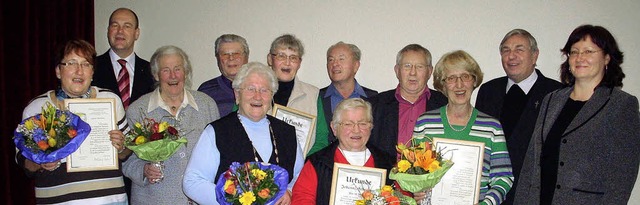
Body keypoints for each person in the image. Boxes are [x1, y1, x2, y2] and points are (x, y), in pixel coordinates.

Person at [514, 25, 640, 204]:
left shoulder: (621, 105)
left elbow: (622, 178)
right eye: (574, 52)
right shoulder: (551, 100)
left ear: (607, 58)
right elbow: (531, 163)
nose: (580, 57)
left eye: (589, 51)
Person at [16, 39, 130, 204]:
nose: (79, 71)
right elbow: (24, 161)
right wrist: (41, 162)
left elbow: (126, 153)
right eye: (71, 63)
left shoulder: (110, 100)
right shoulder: (37, 107)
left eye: (86, 64)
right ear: (58, 71)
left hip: (110, 200)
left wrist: (122, 147)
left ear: (92, 72)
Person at [183, 62, 304, 205]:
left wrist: (289, 191)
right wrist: (230, 202)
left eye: (264, 90)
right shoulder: (217, 132)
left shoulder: (287, 132)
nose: (257, 97)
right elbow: (192, 181)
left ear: (272, 96)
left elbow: (300, 175)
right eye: (250, 89)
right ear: (237, 94)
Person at [121, 46, 220, 204]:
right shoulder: (138, 110)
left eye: (178, 69)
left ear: (185, 72)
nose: (173, 76)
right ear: (156, 74)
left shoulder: (206, 104)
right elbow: (126, 160)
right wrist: (144, 170)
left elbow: (218, 154)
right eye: (166, 70)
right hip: (153, 200)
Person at [413, 50, 513, 205]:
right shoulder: (425, 123)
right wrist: (418, 191)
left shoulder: (492, 127)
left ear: (474, 81)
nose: (459, 85)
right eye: (451, 78)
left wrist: (487, 203)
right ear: (443, 84)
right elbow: (415, 173)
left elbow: (503, 178)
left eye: (465, 76)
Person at [475, 29, 563, 204]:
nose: (511, 56)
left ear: (535, 55)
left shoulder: (556, 93)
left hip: (534, 193)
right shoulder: (488, 90)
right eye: (506, 50)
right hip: (490, 194)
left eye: (519, 49)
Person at [291, 98, 394, 204]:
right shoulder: (317, 162)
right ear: (334, 128)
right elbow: (301, 198)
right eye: (348, 124)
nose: (356, 130)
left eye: (362, 123)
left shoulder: (388, 163)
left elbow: (401, 199)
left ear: (371, 126)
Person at [368, 44, 447, 165]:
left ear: (430, 71)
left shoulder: (444, 104)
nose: (413, 73)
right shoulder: (376, 105)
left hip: (431, 182)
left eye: (419, 67)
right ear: (397, 71)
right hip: (385, 180)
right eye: (407, 66)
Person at [266, 34, 328, 157]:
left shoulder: (313, 94)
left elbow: (321, 140)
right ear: (270, 59)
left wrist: (302, 165)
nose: (287, 62)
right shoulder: (253, 91)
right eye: (281, 56)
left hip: (300, 171)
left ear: (299, 63)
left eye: (293, 58)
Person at [311, 41, 378, 154]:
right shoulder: (316, 97)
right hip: (326, 165)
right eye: (331, 60)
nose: (335, 64)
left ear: (356, 66)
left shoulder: (373, 98)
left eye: (341, 59)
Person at [93, 8, 155, 109]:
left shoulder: (152, 71)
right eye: (115, 25)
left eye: (127, 26)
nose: (120, 31)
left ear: (137, 33)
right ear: (108, 31)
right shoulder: (91, 67)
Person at [198, 34, 250, 117]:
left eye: (236, 53)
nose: (231, 58)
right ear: (218, 59)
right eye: (225, 54)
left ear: (246, 57)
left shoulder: (261, 88)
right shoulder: (206, 91)